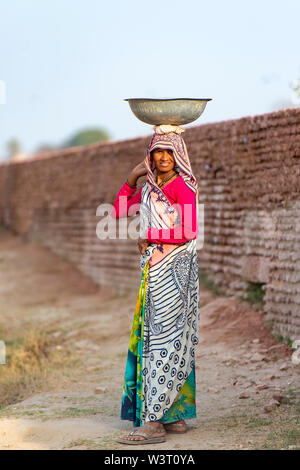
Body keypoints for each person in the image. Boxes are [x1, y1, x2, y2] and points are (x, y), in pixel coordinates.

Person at [110, 125, 200, 445]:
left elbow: (189, 231)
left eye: (169, 152)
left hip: (174, 271)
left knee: (162, 339)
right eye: (157, 152)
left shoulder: (182, 187)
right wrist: (133, 177)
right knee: (159, 337)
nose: (163, 158)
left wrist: (152, 235)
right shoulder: (150, 185)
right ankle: (172, 416)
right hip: (154, 268)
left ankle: (153, 423)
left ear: (179, 155)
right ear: (150, 154)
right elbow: (120, 210)